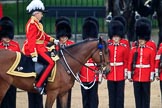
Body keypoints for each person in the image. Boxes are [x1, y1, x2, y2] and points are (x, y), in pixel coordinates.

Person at [22, 0, 59, 94]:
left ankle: (47, 82)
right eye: (41, 13)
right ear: (37, 13)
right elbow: (31, 41)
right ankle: (39, 85)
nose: (42, 15)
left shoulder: (38, 23)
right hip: (36, 49)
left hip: (41, 47)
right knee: (50, 63)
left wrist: (53, 40)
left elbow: (43, 36)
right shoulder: (32, 24)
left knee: (54, 58)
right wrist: (33, 54)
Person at [127, 17, 155, 108]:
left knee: (146, 96)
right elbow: (130, 62)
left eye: (142, 40)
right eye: (140, 39)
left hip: (146, 76)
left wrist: (151, 75)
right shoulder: (134, 49)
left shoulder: (150, 49)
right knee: (137, 96)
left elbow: (152, 63)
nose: (141, 41)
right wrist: (129, 74)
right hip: (136, 75)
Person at [106, 20, 129, 108]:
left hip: (120, 73)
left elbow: (126, 60)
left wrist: (126, 72)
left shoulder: (124, 47)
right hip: (111, 73)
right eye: (114, 37)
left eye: (117, 37)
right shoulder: (108, 46)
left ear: (120, 37)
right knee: (111, 95)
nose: (115, 39)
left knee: (120, 95)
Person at [0, 16, 20, 108]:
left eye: (8, 36)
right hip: (1, 78)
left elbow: (19, 60)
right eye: (5, 36)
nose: (7, 38)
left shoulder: (15, 46)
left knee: (11, 99)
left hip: (12, 77)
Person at [55, 16, 75, 108]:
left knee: (68, 97)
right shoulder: (55, 45)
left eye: (65, 37)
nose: (63, 39)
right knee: (58, 95)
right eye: (62, 37)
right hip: (58, 75)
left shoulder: (71, 45)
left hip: (68, 75)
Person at [79, 16, 99, 108]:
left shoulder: (97, 46)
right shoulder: (81, 46)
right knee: (85, 98)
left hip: (93, 75)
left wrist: (98, 74)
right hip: (83, 75)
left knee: (93, 98)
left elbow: (99, 61)